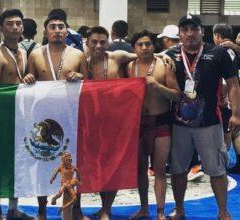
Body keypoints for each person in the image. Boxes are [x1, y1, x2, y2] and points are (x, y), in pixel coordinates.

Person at [166, 15, 240, 220]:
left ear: (201, 31)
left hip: (210, 122)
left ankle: (223, 212)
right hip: (179, 123)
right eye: (185, 29)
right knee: (179, 169)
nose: (190, 33)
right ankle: (179, 210)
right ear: (179, 33)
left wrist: (236, 114)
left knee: (216, 169)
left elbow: (233, 84)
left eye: (194, 29)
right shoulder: (169, 55)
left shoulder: (218, 53)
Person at [23, 14, 88, 220]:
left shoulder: (78, 55)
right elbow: (26, 84)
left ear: (67, 31)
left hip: (70, 116)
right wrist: (28, 77)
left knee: (73, 165)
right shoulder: (35, 55)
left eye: (61, 26)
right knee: (42, 164)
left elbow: (88, 84)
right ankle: (42, 211)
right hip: (43, 118)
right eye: (53, 27)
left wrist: (80, 76)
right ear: (46, 32)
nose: (58, 30)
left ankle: (74, 210)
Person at [126, 30, 180, 220]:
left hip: (161, 122)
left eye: (148, 44)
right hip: (139, 123)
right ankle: (143, 208)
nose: (144, 48)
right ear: (134, 48)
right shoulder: (128, 67)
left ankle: (160, 211)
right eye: (140, 44)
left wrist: (158, 86)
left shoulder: (164, 65)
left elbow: (176, 94)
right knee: (141, 169)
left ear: (153, 46)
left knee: (159, 169)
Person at [85, 26, 136, 220]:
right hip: (92, 123)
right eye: (94, 42)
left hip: (117, 122)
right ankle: (98, 207)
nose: (99, 46)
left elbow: (146, 55)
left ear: (108, 42)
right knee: (95, 167)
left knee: (113, 166)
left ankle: (106, 209)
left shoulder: (117, 56)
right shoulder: (83, 63)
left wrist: (162, 56)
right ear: (87, 43)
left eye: (102, 42)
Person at [0, 9, 33, 220]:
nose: (15, 27)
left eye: (18, 24)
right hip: (1, 118)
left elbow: (24, 78)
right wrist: (17, 87)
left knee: (18, 164)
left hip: (20, 116)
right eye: (10, 24)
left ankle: (13, 208)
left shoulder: (23, 51)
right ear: (1, 28)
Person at [213, 23, 240, 175]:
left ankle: (221, 162)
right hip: (234, 94)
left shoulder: (222, 50)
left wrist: (223, 97)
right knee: (235, 131)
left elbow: (224, 80)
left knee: (225, 130)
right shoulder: (233, 50)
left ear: (217, 35)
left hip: (228, 96)